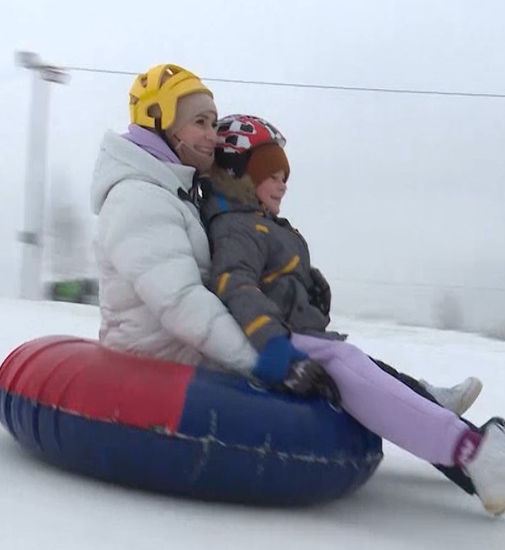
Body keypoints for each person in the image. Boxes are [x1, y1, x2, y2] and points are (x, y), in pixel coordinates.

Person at [198, 113, 505, 517]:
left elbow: (276, 287)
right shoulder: (236, 227)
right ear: (238, 173)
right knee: (350, 366)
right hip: (279, 343)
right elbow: (236, 284)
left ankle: (446, 422)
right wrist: (274, 348)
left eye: (285, 175)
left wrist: (310, 294)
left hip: (298, 334)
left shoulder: (261, 224)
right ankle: (474, 451)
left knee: (366, 368)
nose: (283, 184)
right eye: (271, 174)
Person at [88, 64, 483, 409]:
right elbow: (182, 301)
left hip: (192, 349)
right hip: (160, 361)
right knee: (323, 363)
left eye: (213, 123)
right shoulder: (138, 199)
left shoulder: (176, 190)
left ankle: (419, 398)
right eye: (200, 123)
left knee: (327, 355)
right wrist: (266, 361)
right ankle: (422, 407)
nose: (212, 135)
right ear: (159, 121)